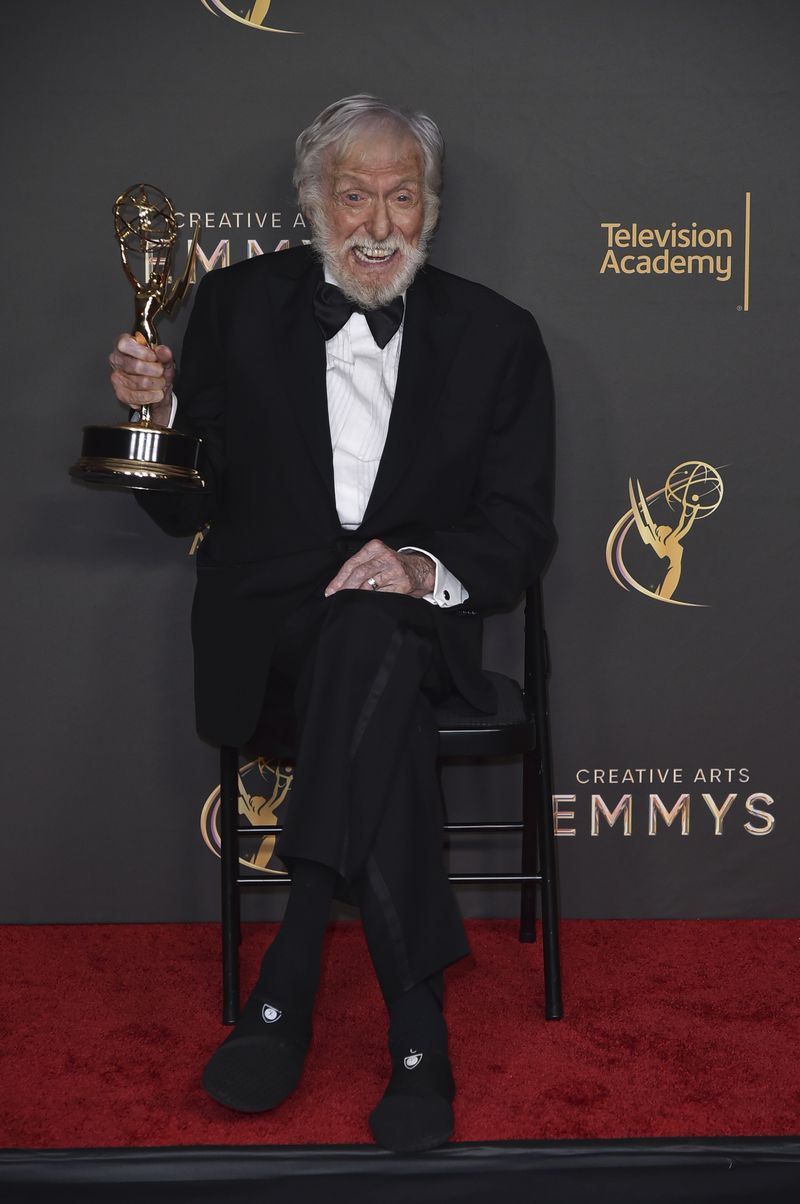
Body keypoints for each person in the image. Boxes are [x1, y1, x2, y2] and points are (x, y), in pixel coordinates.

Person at [108, 94, 555, 1153]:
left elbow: (517, 527)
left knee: (371, 634)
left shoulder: (498, 337)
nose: (378, 219)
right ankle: (414, 1028)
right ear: (311, 204)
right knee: (364, 657)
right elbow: (186, 501)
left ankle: (291, 972)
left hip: (407, 639)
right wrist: (150, 418)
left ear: (431, 209)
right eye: (353, 193)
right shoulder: (229, 309)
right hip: (267, 643)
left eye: (403, 195)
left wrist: (414, 564)